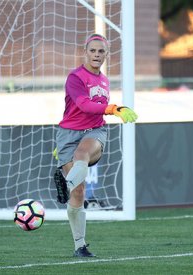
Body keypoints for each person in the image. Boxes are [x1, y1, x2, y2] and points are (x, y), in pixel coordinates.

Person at [54, 33, 138, 257]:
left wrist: (110, 110)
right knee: (79, 192)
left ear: (106, 55)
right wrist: (114, 108)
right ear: (85, 52)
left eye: (101, 51)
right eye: (93, 50)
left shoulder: (104, 80)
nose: (97, 54)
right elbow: (83, 105)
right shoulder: (75, 77)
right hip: (68, 134)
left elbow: (94, 113)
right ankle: (79, 245)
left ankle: (65, 183)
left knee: (83, 152)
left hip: (95, 132)